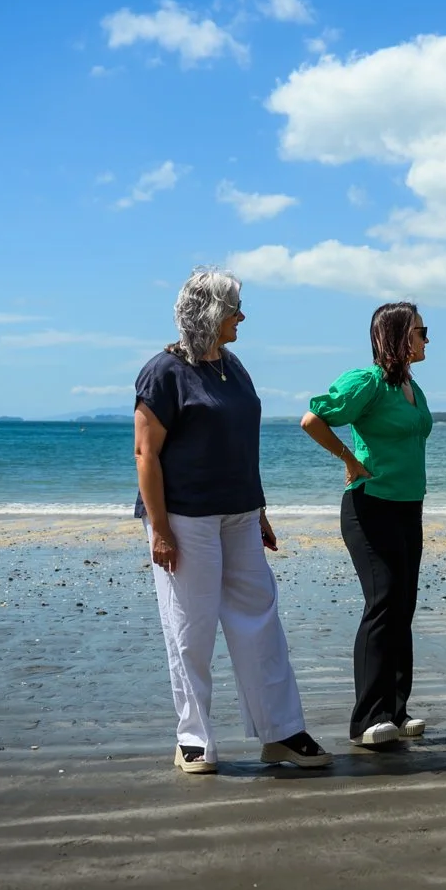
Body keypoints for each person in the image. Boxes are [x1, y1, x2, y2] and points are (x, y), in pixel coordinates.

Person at [133, 268, 331, 775]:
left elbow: (242, 447)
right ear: (208, 313)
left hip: (240, 514)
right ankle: (193, 739)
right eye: (233, 308)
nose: (241, 317)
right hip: (184, 518)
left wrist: (260, 508)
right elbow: (145, 453)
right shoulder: (164, 372)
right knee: (190, 630)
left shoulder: (235, 367)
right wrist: (159, 528)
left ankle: (282, 733)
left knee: (260, 621)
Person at [300, 302, 433, 747]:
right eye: (420, 331)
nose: (426, 339)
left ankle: (396, 709)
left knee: (404, 605)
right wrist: (349, 459)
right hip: (369, 507)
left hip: (408, 507)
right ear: (397, 336)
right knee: (383, 602)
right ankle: (366, 719)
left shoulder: (412, 387)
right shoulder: (367, 382)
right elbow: (312, 419)